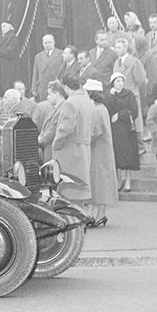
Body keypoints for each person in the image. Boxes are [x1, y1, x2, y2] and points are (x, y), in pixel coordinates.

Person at [51, 76, 93, 207]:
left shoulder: (70, 103)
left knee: (69, 193)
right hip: (85, 149)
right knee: (80, 195)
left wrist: (55, 144)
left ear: (67, 87)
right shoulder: (87, 101)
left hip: (70, 151)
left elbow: (66, 128)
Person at [84, 80, 118, 227]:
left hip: (99, 150)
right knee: (99, 181)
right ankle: (98, 213)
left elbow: (95, 132)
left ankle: (100, 214)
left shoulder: (97, 110)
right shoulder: (100, 108)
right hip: (100, 150)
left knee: (99, 182)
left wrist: (83, 139)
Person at [111, 36, 148, 142]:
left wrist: (139, 93)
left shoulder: (134, 61)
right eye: (116, 47)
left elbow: (141, 81)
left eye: (119, 47)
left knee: (135, 122)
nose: (117, 50)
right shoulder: (116, 63)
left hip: (132, 94)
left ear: (126, 48)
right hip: (119, 96)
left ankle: (140, 144)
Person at [109, 71, 140, 192]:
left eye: (122, 81)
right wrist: (111, 96)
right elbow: (108, 108)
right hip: (115, 130)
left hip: (127, 129)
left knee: (127, 155)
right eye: (117, 81)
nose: (120, 83)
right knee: (117, 155)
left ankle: (127, 180)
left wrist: (120, 114)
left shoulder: (129, 94)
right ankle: (118, 180)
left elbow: (134, 110)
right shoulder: (110, 95)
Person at [37, 82, 66, 161]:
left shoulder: (62, 109)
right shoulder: (55, 109)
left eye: (49, 94)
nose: (47, 97)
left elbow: (53, 131)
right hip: (48, 149)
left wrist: (39, 140)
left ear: (56, 94)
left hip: (53, 151)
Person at [31, 33, 64, 103]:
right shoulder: (38, 56)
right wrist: (34, 88)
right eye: (45, 43)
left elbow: (63, 72)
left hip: (55, 87)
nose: (47, 44)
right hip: (42, 87)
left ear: (54, 42)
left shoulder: (61, 54)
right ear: (42, 44)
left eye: (49, 42)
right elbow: (35, 73)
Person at [0, 22, 22, 91]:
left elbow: (10, 52)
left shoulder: (12, 37)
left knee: (8, 85)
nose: (2, 29)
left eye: (4, 26)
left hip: (9, 66)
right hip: (3, 65)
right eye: (1, 27)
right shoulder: (3, 37)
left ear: (10, 27)